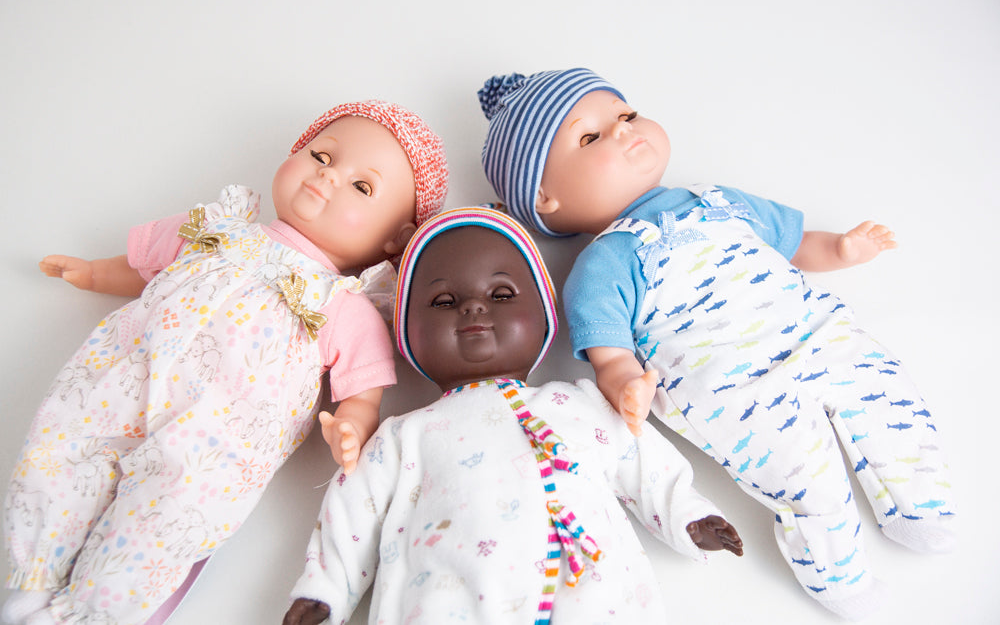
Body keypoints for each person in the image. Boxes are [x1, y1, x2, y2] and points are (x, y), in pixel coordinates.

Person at [478, 68, 956, 620]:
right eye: (590, 137)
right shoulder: (601, 264)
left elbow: (795, 243)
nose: (623, 130)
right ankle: (839, 575)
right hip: (734, 388)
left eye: (626, 115)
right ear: (545, 198)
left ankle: (921, 503)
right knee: (801, 471)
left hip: (817, 332)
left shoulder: (718, 198)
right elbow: (610, 352)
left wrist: (841, 250)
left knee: (886, 392)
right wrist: (627, 386)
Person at [2, 100, 448, 625]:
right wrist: (94, 273)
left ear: (395, 238)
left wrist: (351, 427)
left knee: (169, 511)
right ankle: (30, 583)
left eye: (362, 186)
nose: (329, 177)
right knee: (64, 451)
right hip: (119, 382)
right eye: (322, 156)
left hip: (214, 440)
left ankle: (91, 611)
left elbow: (362, 392)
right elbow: (143, 269)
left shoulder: (342, 305)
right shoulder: (218, 228)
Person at [283, 206, 742, 625]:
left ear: (544, 316)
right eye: (443, 301)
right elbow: (353, 510)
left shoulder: (579, 405)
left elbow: (641, 461)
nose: (473, 306)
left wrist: (688, 515)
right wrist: (325, 591)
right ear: (408, 336)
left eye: (501, 293)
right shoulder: (404, 436)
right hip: (449, 598)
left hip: (594, 596)